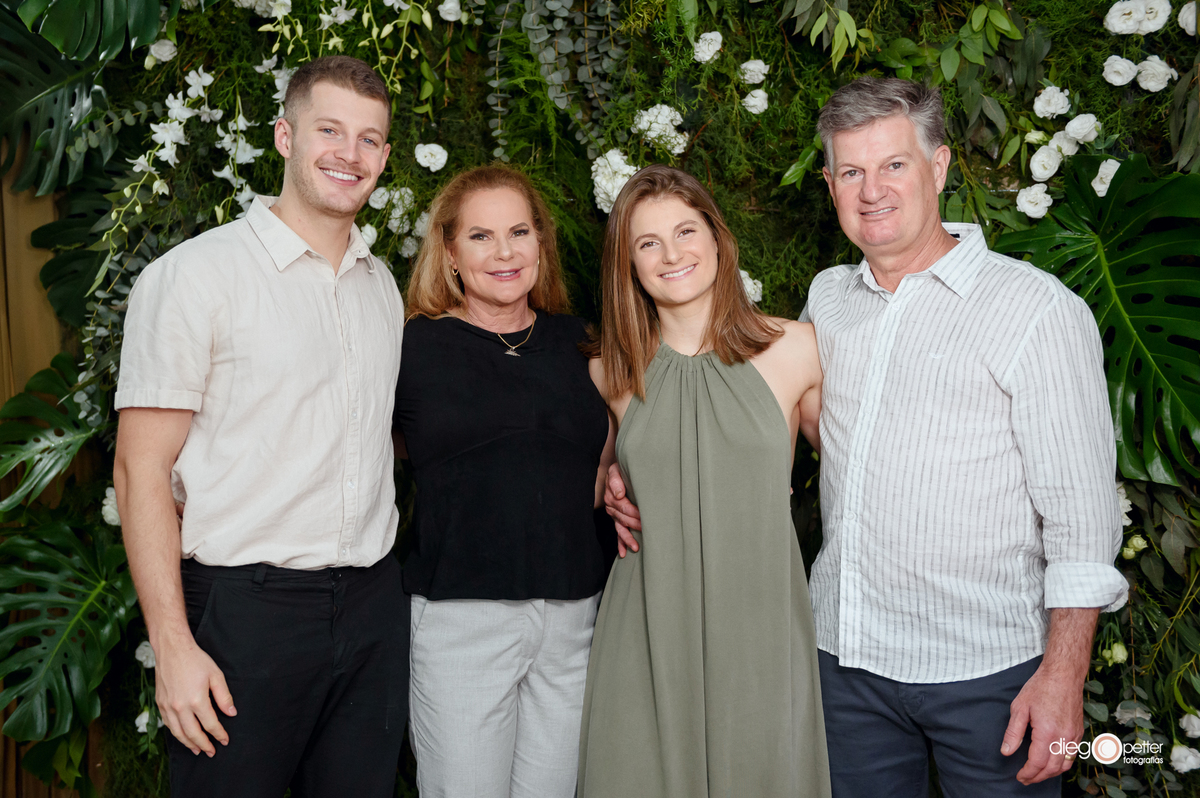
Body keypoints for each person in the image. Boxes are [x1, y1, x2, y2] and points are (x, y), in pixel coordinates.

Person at [604, 77, 1126, 796]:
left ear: (938, 167)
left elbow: (1083, 520)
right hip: (846, 670)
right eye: (851, 171)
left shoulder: (1035, 310)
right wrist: (626, 474)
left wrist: (1065, 675)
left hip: (990, 674)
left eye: (894, 165)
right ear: (829, 183)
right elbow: (771, 431)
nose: (871, 189)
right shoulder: (829, 302)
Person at [112, 55, 408, 797]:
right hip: (247, 615)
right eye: (329, 130)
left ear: (386, 157)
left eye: (369, 139)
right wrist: (172, 647)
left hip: (373, 607)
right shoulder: (194, 278)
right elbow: (138, 470)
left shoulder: (383, 287)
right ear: (284, 136)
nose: (349, 154)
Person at [577, 164, 831, 798]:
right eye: (648, 243)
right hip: (647, 624)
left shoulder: (797, 348)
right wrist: (611, 485)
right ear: (627, 264)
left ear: (718, 238)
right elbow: (594, 481)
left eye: (686, 231)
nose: (672, 254)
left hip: (760, 627)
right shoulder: (608, 372)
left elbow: (873, 474)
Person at [394, 165, 619, 798]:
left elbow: (614, 457)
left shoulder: (583, 342)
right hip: (462, 617)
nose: (504, 252)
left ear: (541, 244)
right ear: (449, 252)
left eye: (519, 232)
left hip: (575, 617)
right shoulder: (412, 347)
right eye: (481, 236)